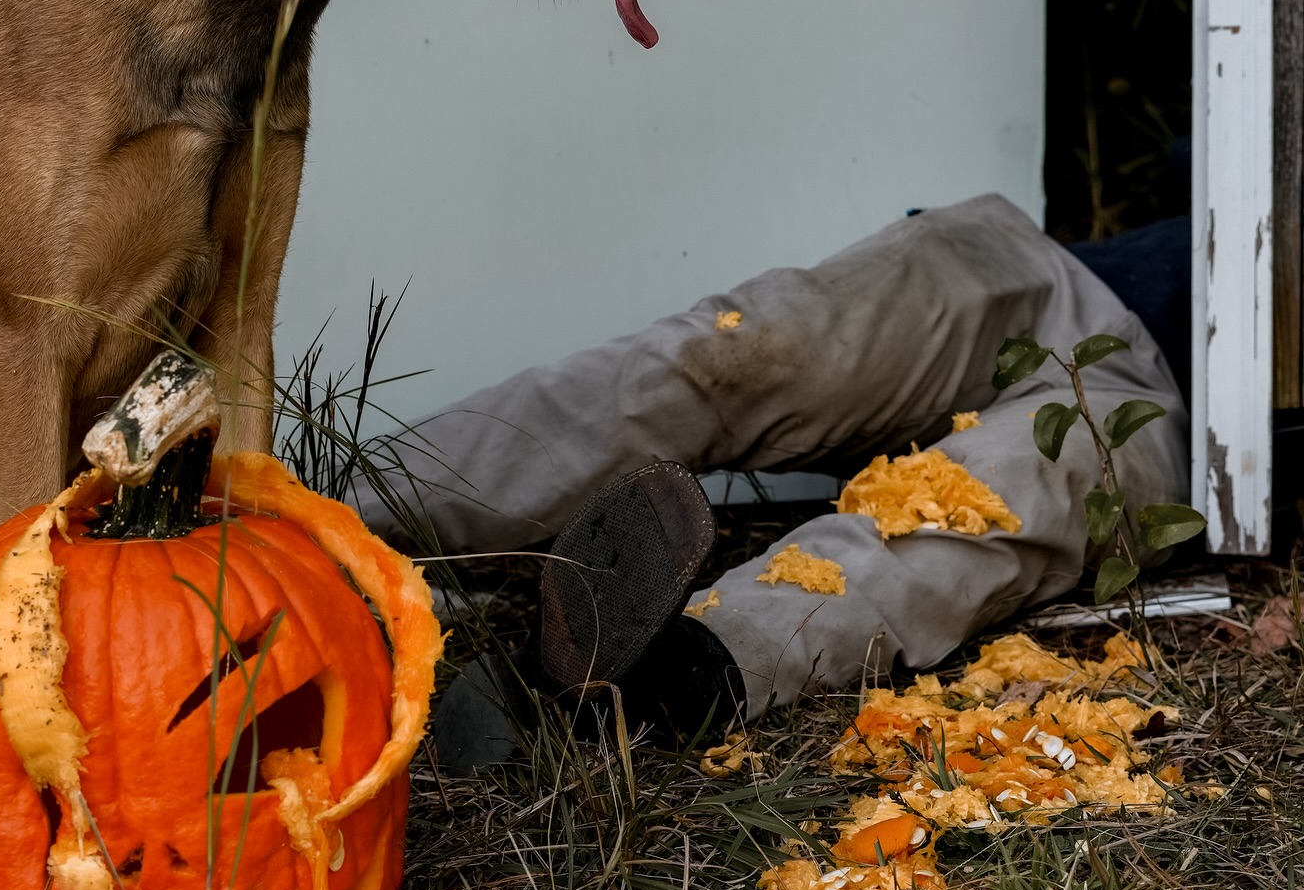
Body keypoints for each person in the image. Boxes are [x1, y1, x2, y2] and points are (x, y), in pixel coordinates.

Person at [349, 195, 1188, 761]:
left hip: (1170, 402)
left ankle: (662, 678)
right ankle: (315, 513)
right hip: (1047, 280)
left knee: (989, 500)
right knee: (733, 354)